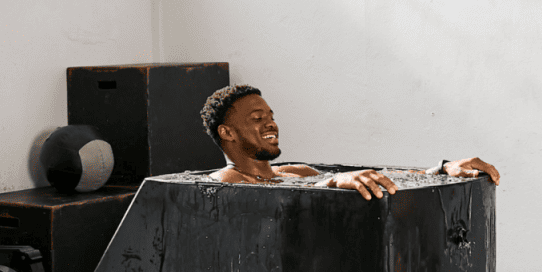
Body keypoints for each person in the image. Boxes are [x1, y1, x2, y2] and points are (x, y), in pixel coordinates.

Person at [200, 84, 500, 196]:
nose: (271, 123)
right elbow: (261, 201)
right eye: (257, 118)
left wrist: (441, 169)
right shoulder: (225, 181)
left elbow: (381, 176)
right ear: (227, 133)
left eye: (270, 116)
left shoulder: (296, 173)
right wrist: (331, 183)